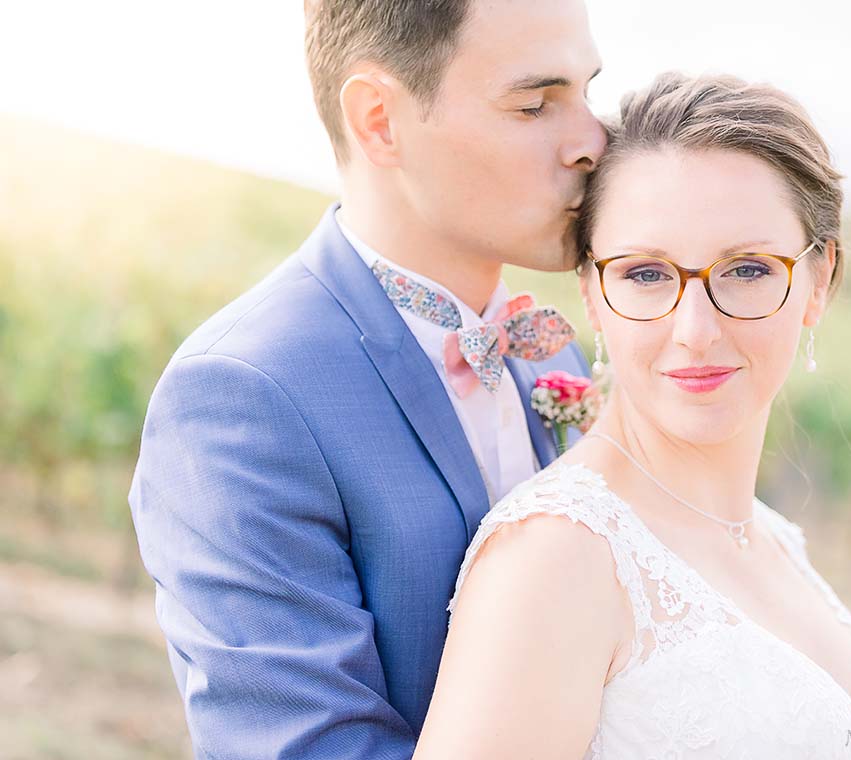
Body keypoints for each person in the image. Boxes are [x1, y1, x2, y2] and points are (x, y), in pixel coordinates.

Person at [128, 1, 605, 757]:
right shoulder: (242, 396)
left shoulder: (553, 352)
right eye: (537, 103)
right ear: (380, 120)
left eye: (588, 92)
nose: (593, 140)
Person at [413, 72, 851, 758]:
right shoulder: (557, 559)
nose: (694, 330)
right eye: (646, 274)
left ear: (819, 279)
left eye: (746, 269)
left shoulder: (776, 541)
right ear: (592, 292)